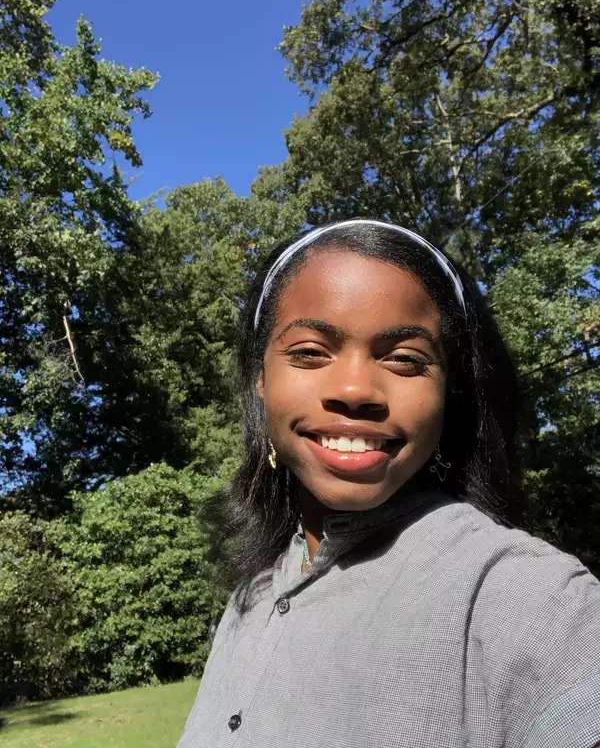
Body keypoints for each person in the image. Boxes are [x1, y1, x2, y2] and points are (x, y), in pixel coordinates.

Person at [178, 219, 600, 748]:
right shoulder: (254, 594)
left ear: (451, 393)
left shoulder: (525, 598)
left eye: (405, 359)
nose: (355, 389)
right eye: (310, 352)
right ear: (260, 379)